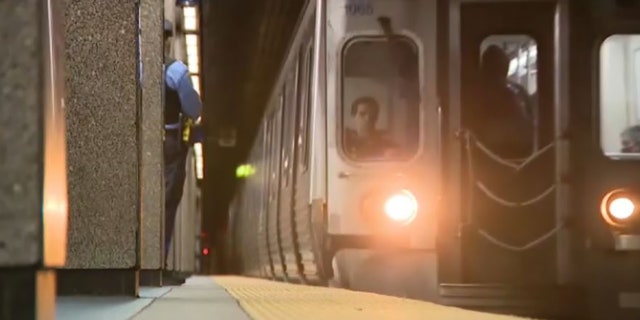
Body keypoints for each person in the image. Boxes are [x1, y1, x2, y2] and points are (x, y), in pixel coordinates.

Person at [163, 19, 202, 264]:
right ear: (167, 40)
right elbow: (194, 108)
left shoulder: (136, 67)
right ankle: (160, 258)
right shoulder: (176, 71)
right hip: (171, 144)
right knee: (168, 201)